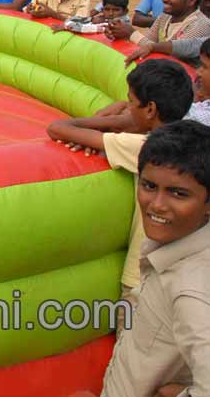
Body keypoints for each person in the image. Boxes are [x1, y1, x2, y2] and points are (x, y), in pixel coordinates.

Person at [45, 60, 196, 341]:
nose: (127, 107)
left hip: (143, 275)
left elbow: (59, 128)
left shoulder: (142, 146)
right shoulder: (191, 139)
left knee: (131, 356)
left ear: (150, 109)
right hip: (185, 275)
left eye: (131, 102)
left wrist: (115, 123)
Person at [66, 120, 210, 397]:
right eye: (149, 185)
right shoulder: (174, 251)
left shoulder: (189, 290)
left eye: (178, 193)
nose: (156, 204)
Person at [118, 0, 210, 66]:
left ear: (191, 0)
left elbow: (169, 60)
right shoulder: (166, 16)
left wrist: (132, 34)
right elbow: (147, 43)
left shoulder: (201, 25)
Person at [53, 0, 130, 34]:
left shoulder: (122, 23)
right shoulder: (102, 19)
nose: (110, 13)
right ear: (102, 10)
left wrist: (68, 27)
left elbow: (93, 28)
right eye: (107, 9)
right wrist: (92, 20)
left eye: (116, 10)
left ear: (125, 11)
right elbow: (78, 19)